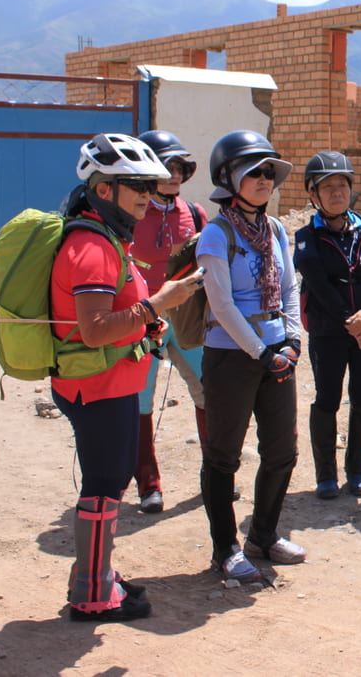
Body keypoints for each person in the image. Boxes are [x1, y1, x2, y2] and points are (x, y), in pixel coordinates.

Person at [52, 133, 202, 621]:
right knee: (103, 484)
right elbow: (95, 330)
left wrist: (150, 318)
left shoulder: (105, 237)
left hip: (109, 383)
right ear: (102, 190)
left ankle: (97, 574)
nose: (147, 193)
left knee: (111, 480)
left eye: (148, 184)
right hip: (99, 387)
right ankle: (92, 596)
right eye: (135, 184)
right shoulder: (91, 246)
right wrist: (159, 304)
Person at [197, 130, 305, 583]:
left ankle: (264, 534)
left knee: (282, 450)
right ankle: (225, 548)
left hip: (277, 352)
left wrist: (294, 337)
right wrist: (261, 351)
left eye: (269, 172)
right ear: (228, 177)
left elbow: (289, 287)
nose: (265, 179)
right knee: (223, 455)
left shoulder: (275, 228)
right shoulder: (215, 235)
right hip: (232, 356)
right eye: (254, 171)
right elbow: (221, 304)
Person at [294, 151, 361, 500]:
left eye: (343, 185)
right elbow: (318, 284)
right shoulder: (306, 236)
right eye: (328, 187)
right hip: (329, 330)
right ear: (313, 194)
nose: (337, 193)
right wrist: (355, 324)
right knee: (327, 399)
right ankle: (325, 475)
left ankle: (358, 469)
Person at [129, 130, 209, 514]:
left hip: (189, 320)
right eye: (166, 166)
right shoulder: (132, 215)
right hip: (145, 319)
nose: (173, 174)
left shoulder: (194, 214)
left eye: (178, 166)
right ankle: (148, 486)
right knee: (141, 401)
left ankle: (217, 474)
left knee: (209, 392)